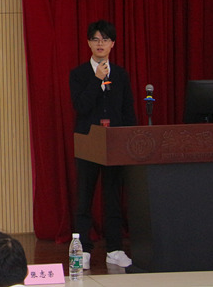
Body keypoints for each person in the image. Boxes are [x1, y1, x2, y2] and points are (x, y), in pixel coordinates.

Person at [69, 19, 136, 270]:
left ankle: (115, 249)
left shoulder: (121, 74)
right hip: (88, 142)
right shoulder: (78, 74)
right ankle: (83, 249)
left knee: (113, 197)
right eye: (96, 39)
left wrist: (129, 140)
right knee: (84, 197)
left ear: (112, 44)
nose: (100, 44)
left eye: (105, 39)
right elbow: (81, 106)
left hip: (114, 143)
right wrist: (96, 81)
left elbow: (127, 110)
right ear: (88, 43)